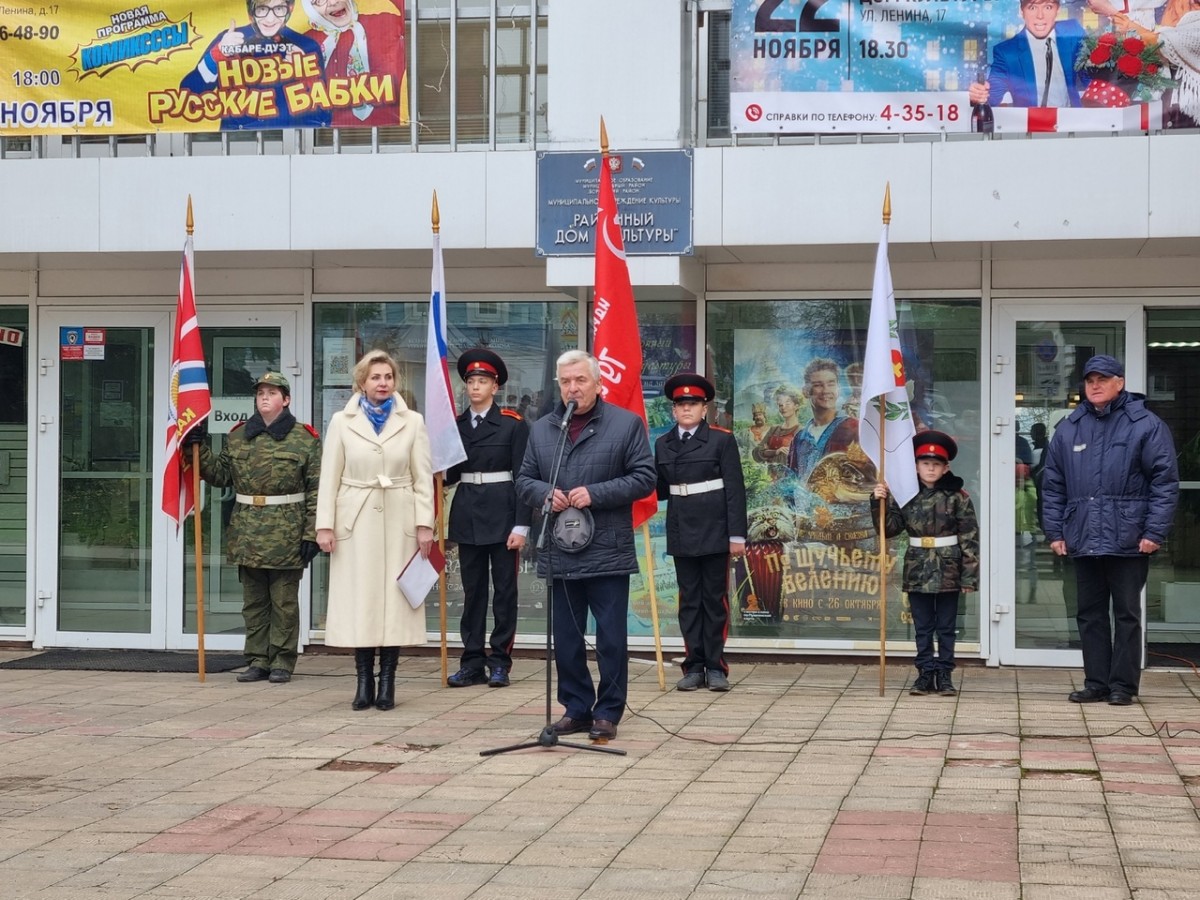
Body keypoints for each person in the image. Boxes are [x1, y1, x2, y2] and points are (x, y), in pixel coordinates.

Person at [515, 350, 657, 742]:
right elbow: (524, 480)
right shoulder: (544, 428)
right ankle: (576, 708)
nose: (572, 388)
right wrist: (547, 493)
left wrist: (594, 493)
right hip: (560, 550)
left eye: (580, 380)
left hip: (607, 549)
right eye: (565, 382)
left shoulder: (626, 425)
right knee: (565, 637)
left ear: (598, 383)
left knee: (611, 638)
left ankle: (608, 712)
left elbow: (645, 478)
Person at [1040, 355, 1179, 706]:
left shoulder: (1146, 424)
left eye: (1103, 379)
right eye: (1090, 380)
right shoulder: (1070, 427)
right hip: (1083, 536)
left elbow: (1164, 483)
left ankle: (1124, 686)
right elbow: (1053, 485)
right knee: (1089, 613)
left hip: (1130, 537)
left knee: (1127, 614)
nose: (1096, 385)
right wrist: (1055, 531)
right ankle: (1097, 682)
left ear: (1120, 382)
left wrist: (1154, 532)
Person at [316, 350, 435, 712]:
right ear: (361, 382)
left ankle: (389, 683)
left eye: (388, 377)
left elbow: (422, 478)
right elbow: (329, 476)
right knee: (361, 602)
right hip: (356, 519)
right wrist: (325, 525)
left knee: (396, 604)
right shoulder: (341, 421)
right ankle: (364, 680)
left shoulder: (412, 421)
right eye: (375, 377)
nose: (382, 383)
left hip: (399, 518)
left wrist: (424, 524)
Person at [184, 372, 322, 684]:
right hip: (248, 529)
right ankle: (258, 659)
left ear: (285, 400)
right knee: (254, 602)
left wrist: (311, 533)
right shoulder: (238, 436)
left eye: (272, 392)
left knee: (284, 602)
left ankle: (282, 661)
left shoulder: (305, 438)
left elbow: (317, 489)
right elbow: (220, 475)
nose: (264, 397)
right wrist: (198, 447)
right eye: (260, 392)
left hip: (287, 529)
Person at [654, 374, 747, 693]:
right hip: (682, 529)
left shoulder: (721, 440)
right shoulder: (662, 443)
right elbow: (659, 489)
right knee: (689, 601)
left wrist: (737, 535)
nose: (686, 409)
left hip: (715, 529)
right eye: (681, 405)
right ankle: (693, 665)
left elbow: (735, 490)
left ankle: (715, 666)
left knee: (714, 600)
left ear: (704, 409)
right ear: (673, 411)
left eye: (692, 404)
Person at [444, 349, 530, 688]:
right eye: (471, 381)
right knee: (472, 591)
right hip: (467, 512)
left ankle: (500, 661)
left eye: (483, 381)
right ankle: (471, 661)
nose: (475, 386)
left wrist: (522, 524)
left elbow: (524, 477)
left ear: (495, 387)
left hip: (503, 512)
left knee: (505, 592)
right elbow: (449, 475)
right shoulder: (456, 426)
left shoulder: (512, 424)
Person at [872, 431, 980, 696]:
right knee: (922, 626)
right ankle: (924, 673)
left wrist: (969, 576)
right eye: (925, 463)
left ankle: (944, 673)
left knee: (945, 626)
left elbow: (969, 537)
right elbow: (890, 529)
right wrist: (878, 502)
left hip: (949, 568)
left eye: (936, 464)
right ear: (916, 466)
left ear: (946, 468)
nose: (930, 468)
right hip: (918, 567)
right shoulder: (905, 494)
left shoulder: (958, 497)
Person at [179, 1, 329, 130]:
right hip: (236, 141)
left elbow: (324, 117)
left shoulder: (306, 45)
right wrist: (216, 56)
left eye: (278, 9)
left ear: (289, 9)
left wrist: (306, 76)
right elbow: (188, 96)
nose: (270, 19)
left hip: (289, 141)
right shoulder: (229, 39)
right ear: (251, 11)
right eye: (262, 9)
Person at [300, 0, 408, 128]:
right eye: (319, 1)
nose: (333, 2)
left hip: (381, 134)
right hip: (327, 135)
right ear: (310, 9)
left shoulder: (381, 23)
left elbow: (399, 10)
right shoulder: (304, 42)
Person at [968, 0, 1089, 108]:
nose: (1040, 16)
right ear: (1021, 11)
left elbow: (1091, 77)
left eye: (1048, 7)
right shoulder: (1007, 52)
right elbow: (992, 95)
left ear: (1057, 10)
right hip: (1031, 127)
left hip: (1069, 123)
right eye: (1032, 7)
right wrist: (979, 95)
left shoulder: (1073, 32)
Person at [786, 358, 861, 481]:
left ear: (838, 388)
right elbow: (791, 481)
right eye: (818, 385)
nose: (826, 390)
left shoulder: (853, 428)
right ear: (806, 391)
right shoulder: (799, 438)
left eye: (831, 384)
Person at [751, 385, 803, 480]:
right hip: (770, 479)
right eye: (780, 405)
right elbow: (756, 452)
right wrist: (776, 452)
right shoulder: (774, 430)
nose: (783, 407)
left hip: (790, 481)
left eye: (787, 403)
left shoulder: (802, 431)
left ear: (796, 406)